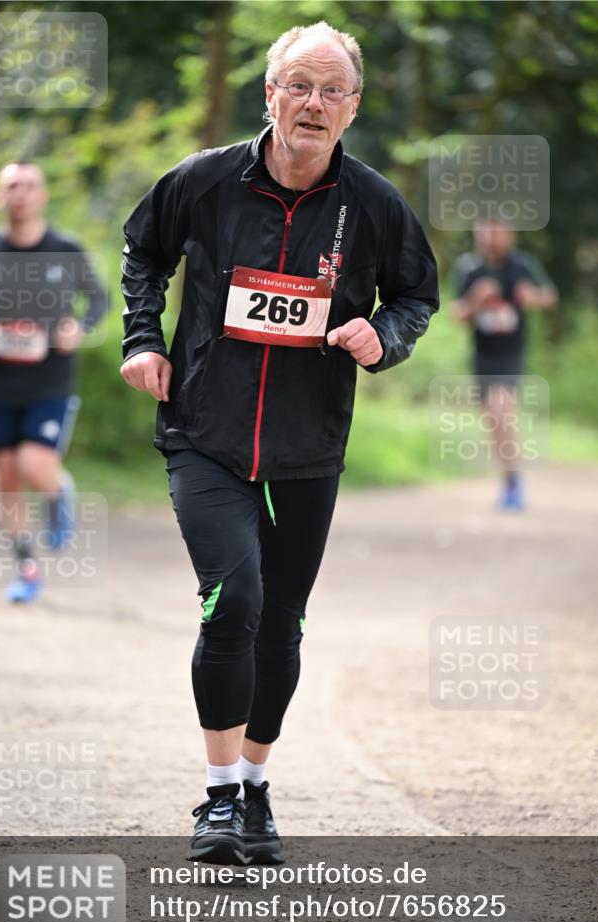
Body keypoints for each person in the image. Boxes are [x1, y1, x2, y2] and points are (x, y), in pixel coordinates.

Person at [120, 21, 439, 864]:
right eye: (298, 85)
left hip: (308, 444)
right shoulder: (204, 182)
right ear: (268, 94)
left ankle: (255, 789)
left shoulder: (372, 203)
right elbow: (141, 251)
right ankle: (218, 796)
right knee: (235, 600)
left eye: (331, 90)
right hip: (205, 431)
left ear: (353, 108)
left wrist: (383, 336)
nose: (312, 103)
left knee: (283, 626)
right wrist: (141, 340)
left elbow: (415, 296)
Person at [0, 161, 108, 602]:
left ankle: (60, 491)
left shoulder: (65, 249)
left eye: (28, 186)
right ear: (0, 197)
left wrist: (78, 328)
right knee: (6, 478)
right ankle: (26, 570)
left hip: (51, 382)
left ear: (42, 196)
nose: (20, 193)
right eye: (11, 187)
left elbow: (97, 299)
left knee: (33, 465)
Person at [451, 217, 557, 510]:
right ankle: (510, 477)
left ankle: (512, 481)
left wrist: (530, 297)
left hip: (512, 353)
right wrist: (475, 300)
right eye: (486, 231)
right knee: (495, 420)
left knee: (502, 408)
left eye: (498, 231)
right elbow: (455, 314)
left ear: (510, 235)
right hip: (483, 355)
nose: (492, 237)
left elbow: (549, 297)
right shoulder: (468, 268)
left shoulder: (523, 265)